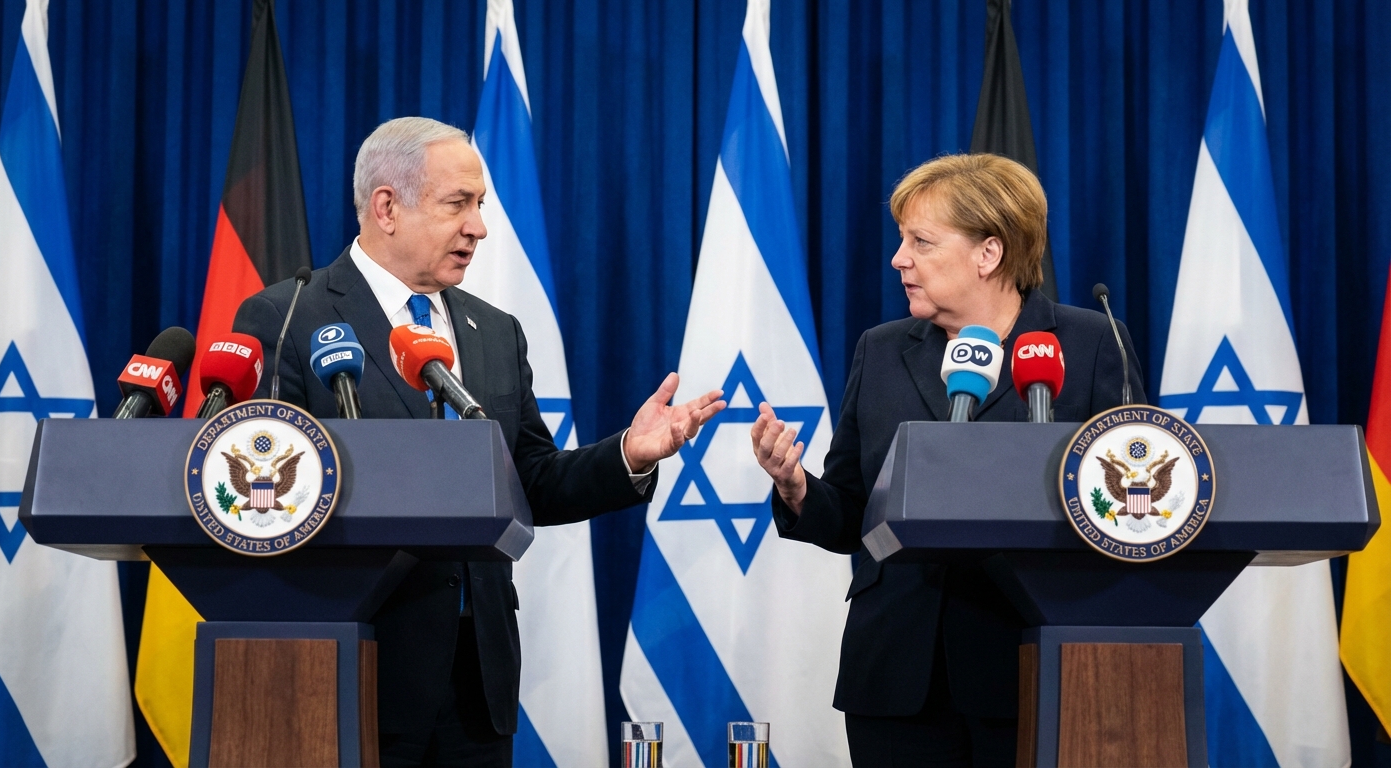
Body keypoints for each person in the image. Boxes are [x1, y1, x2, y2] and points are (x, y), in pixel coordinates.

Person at [233, 117, 726, 767]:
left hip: (477, 683)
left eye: (481, 206)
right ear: (386, 207)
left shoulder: (492, 331)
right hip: (353, 670)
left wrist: (628, 455)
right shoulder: (290, 317)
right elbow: (270, 504)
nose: (479, 227)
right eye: (457, 204)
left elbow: (531, 479)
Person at [750, 153, 1146, 766]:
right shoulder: (881, 351)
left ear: (988, 254)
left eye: (921, 242)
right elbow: (854, 511)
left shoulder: (1091, 345)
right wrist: (798, 488)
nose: (898, 259)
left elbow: (1132, 508)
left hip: (1032, 663)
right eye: (900, 240)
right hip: (898, 674)